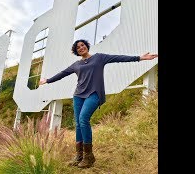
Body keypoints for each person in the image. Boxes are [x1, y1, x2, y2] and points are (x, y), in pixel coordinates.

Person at [39, 39, 158, 168]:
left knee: (83, 119)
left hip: (94, 93)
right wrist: (47, 80)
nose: (81, 48)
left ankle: (89, 157)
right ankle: (79, 155)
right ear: (76, 51)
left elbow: (118, 58)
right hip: (78, 95)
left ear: (87, 46)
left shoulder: (99, 58)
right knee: (78, 123)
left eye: (82, 45)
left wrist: (140, 58)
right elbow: (62, 74)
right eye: (78, 47)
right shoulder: (75, 65)